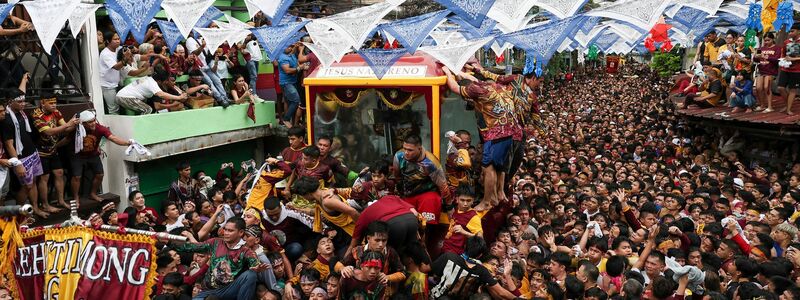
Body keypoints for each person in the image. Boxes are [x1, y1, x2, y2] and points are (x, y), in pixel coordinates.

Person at [442, 65, 518, 209]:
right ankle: (495, 196)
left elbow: (454, 88)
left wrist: (447, 72)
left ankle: (487, 201)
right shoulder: (499, 87)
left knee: (488, 168)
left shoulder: (478, 90)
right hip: (509, 133)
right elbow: (475, 79)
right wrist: (461, 74)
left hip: (496, 133)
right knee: (496, 167)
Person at [176, 217, 269, 300]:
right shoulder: (215, 242)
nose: (226, 233)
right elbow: (193, 247)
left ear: (240, 232)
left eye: (230, 231)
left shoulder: (245, 250)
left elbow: (254, 261)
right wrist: (170, 242)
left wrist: (256, 267)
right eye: (225, 229)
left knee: (250, 274)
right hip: (208, 290)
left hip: (228, 290)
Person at [2, 82, 51, 218]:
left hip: (32, 153)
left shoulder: (20, 112)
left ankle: (34, 208)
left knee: (33, 182)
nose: (23, 104)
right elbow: (9, 144)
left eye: (24, 101)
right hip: (21, 157)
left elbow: (19, 93)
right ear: (10, 102)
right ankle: (19, 215)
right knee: (26, 186)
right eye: (20, 102)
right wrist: (17, 164)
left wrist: (24, 79)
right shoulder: (7, 119)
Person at [71, 110, 132, 202]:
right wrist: (57, 146)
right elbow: (67, 139)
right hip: (77, 156)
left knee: (100, 174)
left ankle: (93, 193)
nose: (93, 123)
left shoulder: (100, 129)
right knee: (77, 176)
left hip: (93, 155)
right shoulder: (76, 129)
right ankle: (76, 197)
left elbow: (113, 138)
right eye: (90, 122)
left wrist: (127, 143)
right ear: (83, 124)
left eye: (94, 120)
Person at [429, 236, 517, 299]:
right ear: (480, 255)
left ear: (464, 247)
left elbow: (427, 270)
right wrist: (517, 298)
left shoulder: (449, 256)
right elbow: (501, 292)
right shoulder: (482, 271)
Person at [32, 95, 79, 210]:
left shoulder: (56, 112)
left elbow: (65, 128)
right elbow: (48, 132)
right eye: (51, 103)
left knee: (59, 173)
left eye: (55, 103)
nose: (54, 105)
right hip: (41, 151)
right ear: (43, 103)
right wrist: (69, 124)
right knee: (44, 178)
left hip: (53, 149)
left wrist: (76, 124)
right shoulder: (36, 115)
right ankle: (45, 205)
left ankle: (61, 201)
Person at [391, 134, 450, 225]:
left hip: (427, 193)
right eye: (404, 148)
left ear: (419, 148)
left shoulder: (430, 162)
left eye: (410, 150)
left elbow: (443, 186)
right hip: (408, 193)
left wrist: (449, 207)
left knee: (428, 221)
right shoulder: (398, 156)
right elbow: (397, 177)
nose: (406, 152)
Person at [185, 33, 231, 108]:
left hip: (206, 65)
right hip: (198, 67)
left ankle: (225, 97)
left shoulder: (198, 40)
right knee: (210, 82)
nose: (192, 32)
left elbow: (208, 54)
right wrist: (203, 45)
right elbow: (194, 53)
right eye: (191, 31)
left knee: (217, 80)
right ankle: (220, 99)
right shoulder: (189, 40)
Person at [115, 69, 187, 115]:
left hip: (121, 96)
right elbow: (161, 94)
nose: (166, 82)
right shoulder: (152, 83)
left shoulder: (148, 78)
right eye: (165, 80)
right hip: (125, 97)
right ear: (159, 80)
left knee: (144, 110)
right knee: (147, 110)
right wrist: (179, 97)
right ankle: (142, 129)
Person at [277, 42, 310, 128]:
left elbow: (298, 62)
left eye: (291, 46)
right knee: (296, 100)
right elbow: (287, 70)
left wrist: (299, 47)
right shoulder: (282, 57)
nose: (290, 48)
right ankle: (286, 119)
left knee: (290, 102)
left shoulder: (291, 55)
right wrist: (300, 68)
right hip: (286, 83)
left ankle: (293, 124)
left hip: (293, 82)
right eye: (288, 46)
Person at [99, 31, 125, 114]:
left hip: (117, 83)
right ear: (107, 41)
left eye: (118, 39)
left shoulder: (118, 49)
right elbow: (116, 67)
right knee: (113, 109)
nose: (118, 41)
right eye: (115, 39)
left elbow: (128, 48)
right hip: (108, 85)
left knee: (119, 107)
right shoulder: (105, 53)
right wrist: (125, 60)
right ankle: (114, 127)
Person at [754, 32, 780, 113]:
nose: (766, 42)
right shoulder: (761, 48)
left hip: (771, 71)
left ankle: (770, 107)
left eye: (768, 40)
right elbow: (755, 60)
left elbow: (777, 60)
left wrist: (766, 57)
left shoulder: (777, 48)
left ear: (773, 39)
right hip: (761, 70)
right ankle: (762, 105)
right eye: (765, 40)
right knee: (758, 88)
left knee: (766, 87)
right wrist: (756, 57)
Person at [779, 23, 800, 115]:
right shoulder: (787, 42)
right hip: (785, 68)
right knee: (780, 88)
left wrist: (793, 59)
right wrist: (782, 59)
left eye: (792, 31)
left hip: (796, 70)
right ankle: (787, 105)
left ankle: (788, 109)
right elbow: (783, 53)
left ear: (798, 31)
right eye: (790, 31)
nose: (790, 33)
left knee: (792, 90)